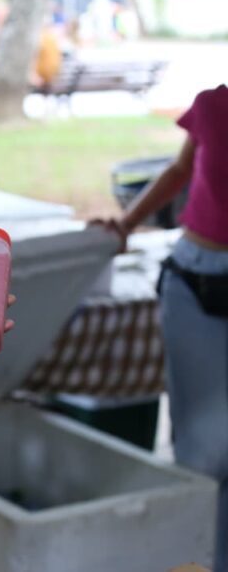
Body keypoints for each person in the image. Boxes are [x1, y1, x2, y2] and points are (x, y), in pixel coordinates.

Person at [100, 85, 228, 572]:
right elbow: (179, 171)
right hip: (196, 281)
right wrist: (126, 224)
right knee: (203, 453)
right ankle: (190, 558)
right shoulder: (215, 104)